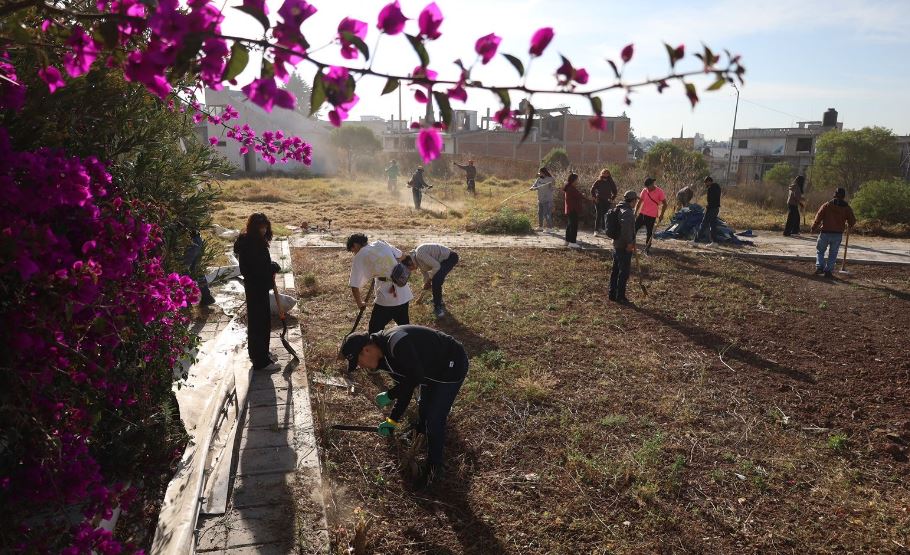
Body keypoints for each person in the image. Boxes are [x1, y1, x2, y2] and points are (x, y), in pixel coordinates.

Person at [341, 325, 469, 488]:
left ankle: (434, 469)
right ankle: (420, 434)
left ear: (366, 350)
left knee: (434, 419)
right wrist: (392, 421)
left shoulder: (396, 343)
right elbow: (406, 387)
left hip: (451, 364)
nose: (361, 366)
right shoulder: (383, 358)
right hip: (430, 371)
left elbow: (415, 377)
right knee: (424, 408)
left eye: (358, 362)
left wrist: (390, 394)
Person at [233, 213, 281, 371]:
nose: (264, 229)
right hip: (256, 287)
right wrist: (272, 267)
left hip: (254, 287)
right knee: (260, 324)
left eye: (265, 226)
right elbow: (256, 268)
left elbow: (258, 264)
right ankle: (262, 362)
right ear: (253, 227)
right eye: (260, 227)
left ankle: (260, 354)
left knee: (257, 322)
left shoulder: (250, 241)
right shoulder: (253, 244)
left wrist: (270, 265)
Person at [347, 233, 413, 333]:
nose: (354, 253)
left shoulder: (360, 255)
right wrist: (390, 267)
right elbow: (402, 256)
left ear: (355, 245)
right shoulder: (380, 243)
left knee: (374, 331)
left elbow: (354, 285)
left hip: (387, 297)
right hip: (403, 291)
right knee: (405, 328)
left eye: (353, 251)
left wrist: (360, 303)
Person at [811, 187, 856, 278]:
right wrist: (849, 224)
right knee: (833, 254)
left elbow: (818, 217)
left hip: (825, 233)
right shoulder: (847, 208)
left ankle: (820, 267)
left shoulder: (827, 205)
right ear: (843, 196)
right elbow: (852, 221)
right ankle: (828, 271)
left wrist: (813, 227)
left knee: (820, 251)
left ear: (834, 194)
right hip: (837, 234)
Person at [405, 243, 459, 318]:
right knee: (434, 279)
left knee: (436, 281)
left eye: (410, 268)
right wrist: (426, 282)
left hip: (450, 258)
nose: (411, 270)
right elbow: (426, 277)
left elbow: (437, 266)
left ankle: (438, 307)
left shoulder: (420, 254)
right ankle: (438, 299)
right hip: (442, 261)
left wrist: (430, 279)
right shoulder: (418, 261)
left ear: (410, 263)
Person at [610, 191, 638, 304]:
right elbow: (626, 230)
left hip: (617, 244)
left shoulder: (619, 208)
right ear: (633, 200)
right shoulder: (627, 212)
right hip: (623, 246)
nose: (636, 202)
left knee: (615, 271)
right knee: (624, 272)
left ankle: (612, 294)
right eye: (636, 200)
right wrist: (630, 243)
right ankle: (620, 296)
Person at [634, 177, 667, 253]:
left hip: (652, 216)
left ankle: (647, 248)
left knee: (649, 233)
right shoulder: (645, 190)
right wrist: (635, 212)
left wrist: (661, 214)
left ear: (652, 184)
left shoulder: (660, 191)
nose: (647, 189)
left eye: (649, 187)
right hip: (642, 214)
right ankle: (631, 243)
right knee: (634, 229)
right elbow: (640, 202)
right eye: (646, 187)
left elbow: (665, 204)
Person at [183, 229, 216, 306]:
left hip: (189, 241)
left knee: (184, 270)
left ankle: (186, 302)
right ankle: (207, 296)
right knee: (197, 270)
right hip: (197, 239)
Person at [693, 175, 721, 245]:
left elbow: (711, 201)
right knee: (713, 226)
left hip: (711, 209)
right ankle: (715, 242)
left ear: (709, 182)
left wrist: (707, 208)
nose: (705, 184)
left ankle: (696, 241)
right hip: (716, 209)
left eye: (706, 182)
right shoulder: (718, 188)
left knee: (703, 224)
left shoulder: (710, 189)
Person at [590, 168, 618, 237]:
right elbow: (592, 189)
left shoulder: (610, 182)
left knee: (605, 215)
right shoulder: (598, 181)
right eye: (604, 173)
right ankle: (596, 230)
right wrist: (594, 197)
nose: (605, 174)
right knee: (599, 214)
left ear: (608, 174)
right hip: (599, 200)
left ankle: (603, 229)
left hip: (607, 201)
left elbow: (615, 191)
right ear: (601, 173)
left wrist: (612, 199)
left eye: (606, 173)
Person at [529, 167, 555, 231]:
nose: (539, 174)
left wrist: (551, 186)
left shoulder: (550, 179)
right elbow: (534, 186)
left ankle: (550, 227)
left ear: (543, 173)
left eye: (540, 173)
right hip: (540, 199)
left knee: (547, 214)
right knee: (540, 213)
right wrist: (532, 188)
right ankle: (540, 227)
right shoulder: (538, 179)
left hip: (547, 200)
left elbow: (552, 188)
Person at [563, 172, 584, 248]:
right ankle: (572, 242)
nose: (577, 181)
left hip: (570, 209)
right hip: (573, 209)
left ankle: (567, 241)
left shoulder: (568, 187)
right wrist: (582, 195)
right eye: (577, 179)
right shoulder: (571, 188)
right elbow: (579, 196)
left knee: (569, 225)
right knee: (573, 226)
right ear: (573, 180)